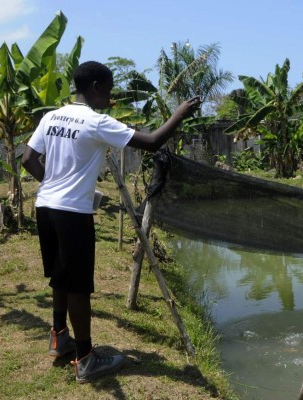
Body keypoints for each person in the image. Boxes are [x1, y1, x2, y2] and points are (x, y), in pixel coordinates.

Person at [21, 61, 201, 383]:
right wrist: (179, 114)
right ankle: (87, 359)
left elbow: (28, 159)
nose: (110, 95)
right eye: (108, 88)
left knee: (60, 278)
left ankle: (60, 337)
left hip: (45, 207)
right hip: (72, 214)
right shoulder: (95, 122)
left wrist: (52, 185)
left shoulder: (51, 116)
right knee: (77, 286)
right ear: (94, 87)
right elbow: (151, 142)